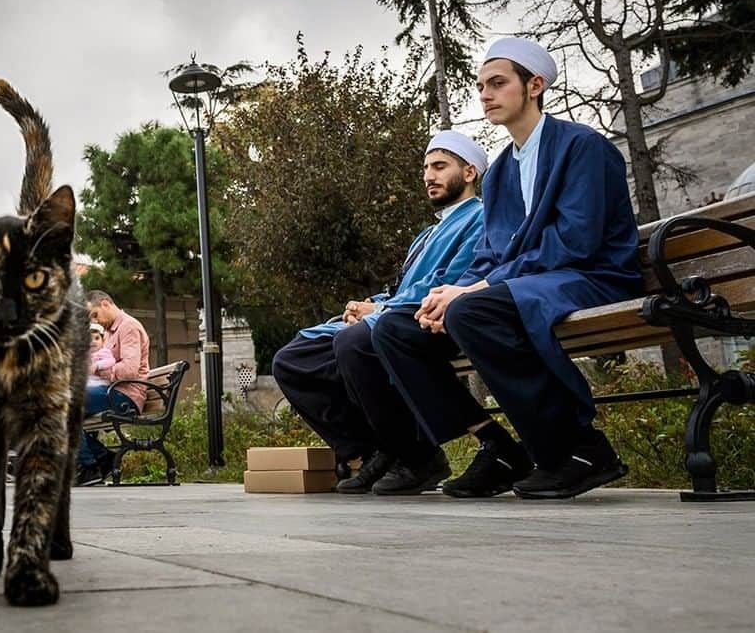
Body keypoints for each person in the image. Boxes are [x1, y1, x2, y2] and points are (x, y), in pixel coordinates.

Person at [373, 37, 642, 500]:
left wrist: (476, 289)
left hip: (593, 278)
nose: (485, 94)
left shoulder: (582, 147)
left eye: (498, 83)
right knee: (398, 328)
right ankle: (498, 449)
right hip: (530, 285)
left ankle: (577, 449)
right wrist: (449, 292)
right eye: (480, 86)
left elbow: (576, 242)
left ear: (534, 85)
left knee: (474, 311)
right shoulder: (499, 172)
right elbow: (491, 253)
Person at [271, 131, 487, 495]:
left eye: (439, 166)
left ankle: (417, 456)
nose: (428, 176)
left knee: (354, 342)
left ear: (468, 173)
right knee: (293, 359)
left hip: (429, 319)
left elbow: (452, 281)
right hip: (391, 312)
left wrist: (381, 309)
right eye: (425, 169)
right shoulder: (426, 235)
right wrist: (365, 304)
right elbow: (400, 287)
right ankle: (375, 450)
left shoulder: (478, 219)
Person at [76, 290, 151, 486]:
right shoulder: (110, 332)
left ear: (105, 304)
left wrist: (98, 371)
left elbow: (129, 369)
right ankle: (102, 458)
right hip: (113, 391)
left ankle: (89, 467)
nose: (95, 321)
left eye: (95, 315)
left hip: (126, 396)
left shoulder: (129, 327)